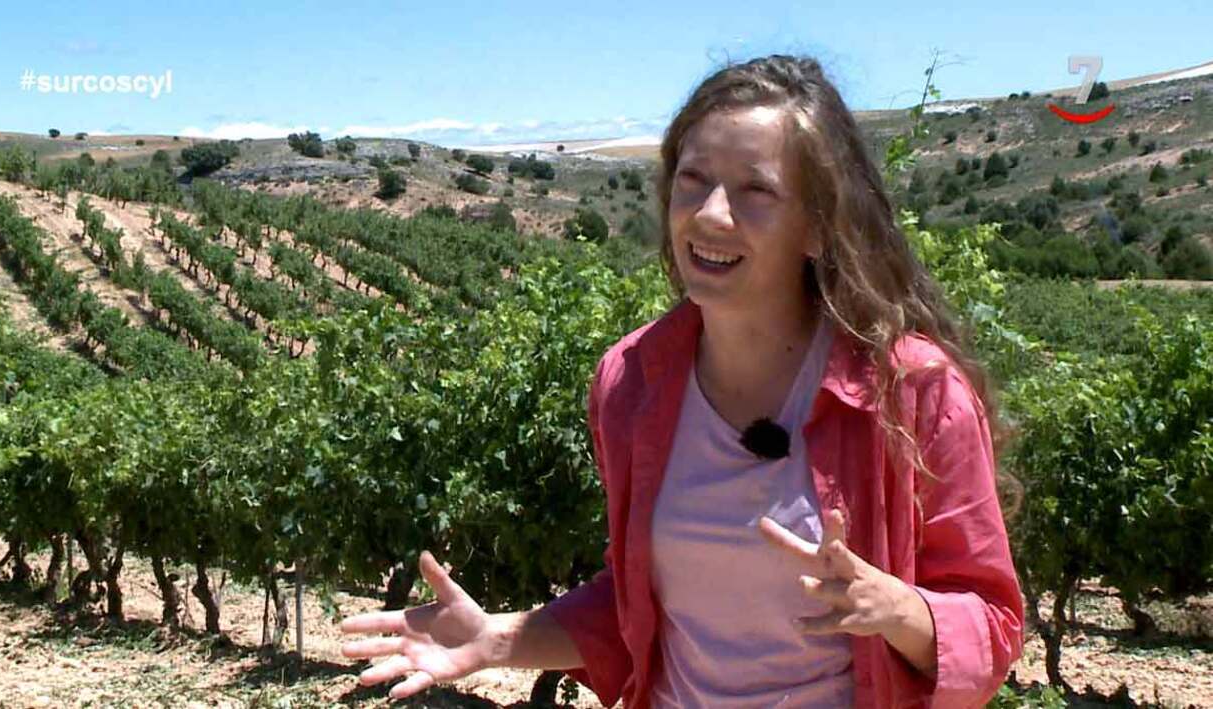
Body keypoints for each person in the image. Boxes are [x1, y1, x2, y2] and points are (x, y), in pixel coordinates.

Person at [340, 54, 1024, 708]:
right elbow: (640, 604)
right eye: (693, 180)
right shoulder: (631, 383)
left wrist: (900, 609)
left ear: (817, 227)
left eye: (755, 189)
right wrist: (499, 638)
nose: (710, 213)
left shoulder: (911, 392)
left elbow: (992, 625)